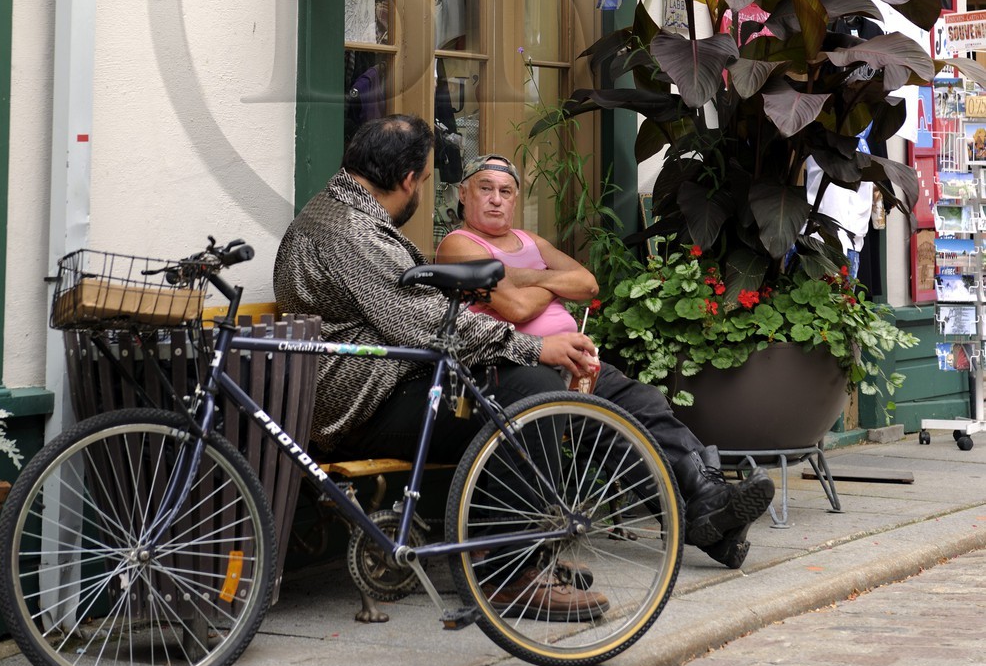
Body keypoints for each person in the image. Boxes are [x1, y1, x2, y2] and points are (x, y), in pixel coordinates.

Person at [273, 118, 774, 593]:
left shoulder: (349, 218)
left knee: (606, 394)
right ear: (407, 179)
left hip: (391, 385)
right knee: (535, 389)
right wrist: (536, 344)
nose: (423, 190)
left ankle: (708, 515)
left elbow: (574, 285)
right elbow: (431, 322)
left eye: (505, 191)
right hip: (364, 405)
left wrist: (531, 310)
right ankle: (511, 570)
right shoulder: (352, 232)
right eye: (425, 180)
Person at [436, 153, 775, 568]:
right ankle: (711, 524)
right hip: (517, 369)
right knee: (610, 434)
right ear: (463, 195)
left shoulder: (530, 242)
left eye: (505, 192)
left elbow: (587, 282)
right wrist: (552, 284)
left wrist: (523, 275)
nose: (495, 200)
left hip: (576, 364)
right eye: (485, 189)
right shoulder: (458, 245)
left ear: (516, 199)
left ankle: (708, 498)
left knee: (646, 404)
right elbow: (518, 310)